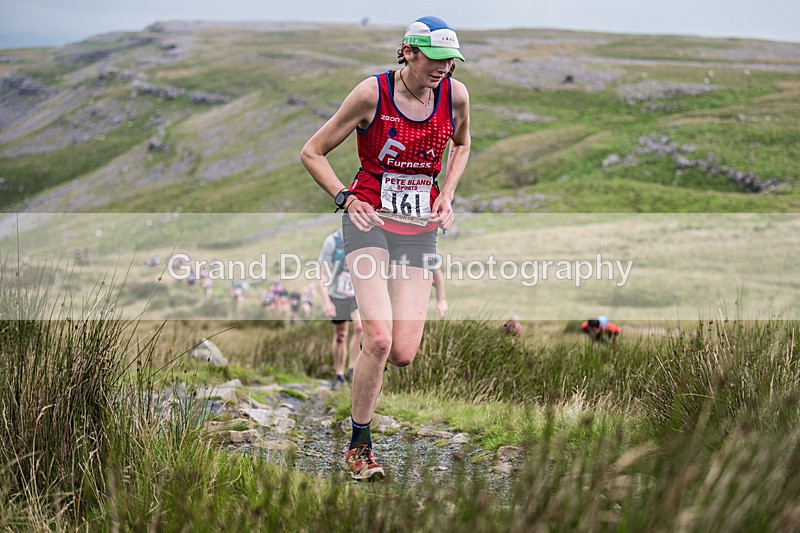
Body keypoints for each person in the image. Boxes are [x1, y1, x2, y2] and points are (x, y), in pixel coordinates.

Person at [301, 15, 470, 481]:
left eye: (450, 62)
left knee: (402, 352)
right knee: (378, 338)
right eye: (434, 60)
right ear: (408, 51)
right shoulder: (370, 94)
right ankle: (360, 445)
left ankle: (369, 349)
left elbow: (463, 144)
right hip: (369, 221)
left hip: (417, 229)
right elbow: (311, 152)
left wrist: (446, 194)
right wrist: (345, 197)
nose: (443, 69)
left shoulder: (455, 95)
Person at [318, 228, 363, 389]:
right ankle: (339, 374)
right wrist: (326, 301)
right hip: (337, 294)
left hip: (357, 292)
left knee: (359, 328)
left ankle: (352, 369)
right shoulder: (332, 242)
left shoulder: (365, 235)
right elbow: (322, 273)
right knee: (340, 335)